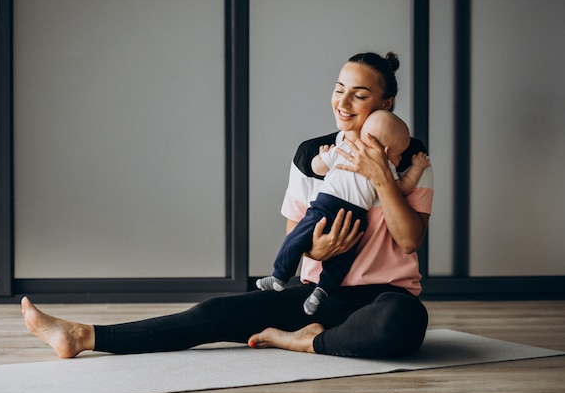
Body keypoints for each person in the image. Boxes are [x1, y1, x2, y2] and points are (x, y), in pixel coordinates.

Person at [21, 51, 433, 359]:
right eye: (339, 90)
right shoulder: (314, 155)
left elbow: (409, 239)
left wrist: (381, 174)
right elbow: (295, 237)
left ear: (386, 104)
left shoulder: (409, 155)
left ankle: (306, 342)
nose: (343, 103)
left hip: (384, 300)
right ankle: (81, 336)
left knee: (405, 320)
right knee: (215, 311)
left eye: (359, 96)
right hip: (316, 298)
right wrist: (316, 250)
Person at [256, 109, 430, 316]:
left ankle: (321, 292)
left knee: (341, 260)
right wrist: (322, 156)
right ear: (383, 149)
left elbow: (401, 189)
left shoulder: (386, 168)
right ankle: (279, 276)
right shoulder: (345, 148)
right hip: (327, 206)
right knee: (298, 238)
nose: (400, 158)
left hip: (352, 217)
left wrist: (415, 168)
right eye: (397, 153)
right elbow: (317, 167)